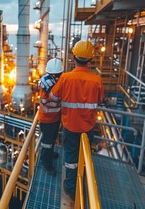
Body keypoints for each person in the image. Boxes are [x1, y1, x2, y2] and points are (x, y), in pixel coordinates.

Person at [49, 40, 104, 199]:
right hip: (88, 127)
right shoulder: (97, 80)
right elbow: (99, 100)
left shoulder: (65, 78)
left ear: (74, 57)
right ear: (90, 59)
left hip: (70, 126)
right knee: (85, 154)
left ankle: (71, 187)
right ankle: (83, 181)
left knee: (71, 158)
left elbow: (53, 97)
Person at [38, 58, 63, 176]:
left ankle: (50, 153)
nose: (57, 78)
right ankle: (46, 163)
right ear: (49, 74)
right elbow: (47, 100)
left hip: (55, 118)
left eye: (59, 75)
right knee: (47, 142)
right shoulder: (46, 85)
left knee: (53, 139)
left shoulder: (57, 83)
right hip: (47, 120)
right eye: (55, 75)